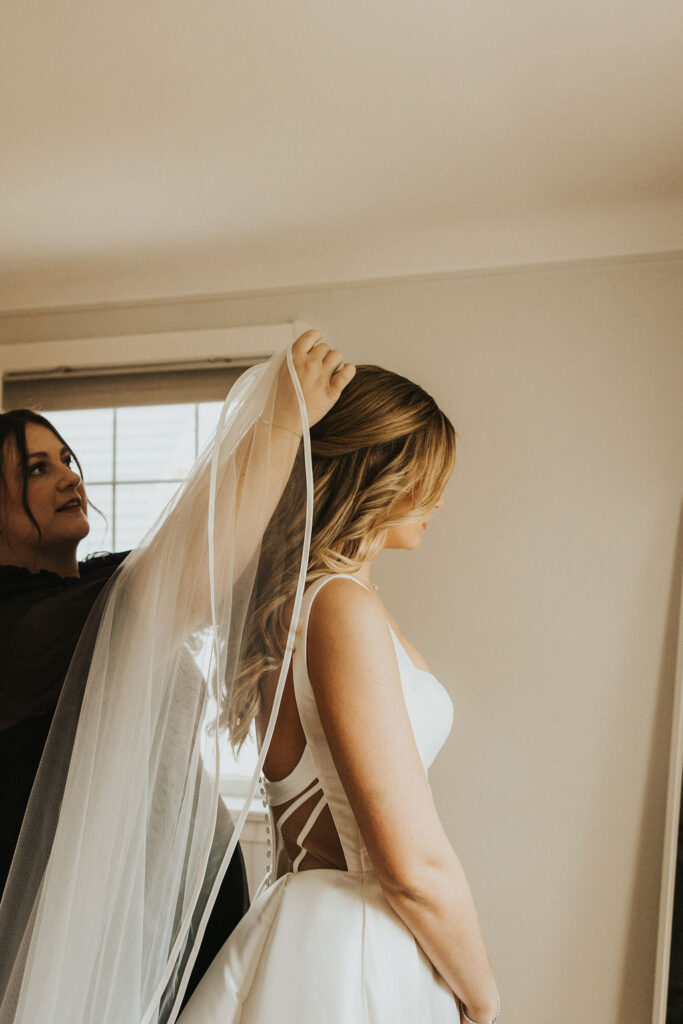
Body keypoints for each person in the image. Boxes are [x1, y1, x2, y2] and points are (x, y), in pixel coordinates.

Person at [0, 331, 355, 1021]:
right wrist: (279, 415)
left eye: (67, 458)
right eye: (36, 469)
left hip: (184, 907)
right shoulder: (22, 627)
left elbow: (237, 544)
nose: (71, 476)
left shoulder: (108, 582)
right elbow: (192, 571)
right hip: (92, 941)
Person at [177, 364, 500, 1023]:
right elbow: (409, 865)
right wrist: (482, 994)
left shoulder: (298, 606)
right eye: (429, 476)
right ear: (382, 473)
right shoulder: (338, 607)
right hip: (351, 946)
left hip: (302, 925)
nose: (439, 499)